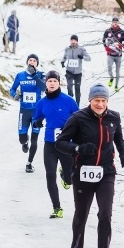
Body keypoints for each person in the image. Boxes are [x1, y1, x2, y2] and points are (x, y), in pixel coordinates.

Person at [56, 84, 124, 248]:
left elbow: (119, 138)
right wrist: (78, 147)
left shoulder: (114, 118)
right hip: (83, 174)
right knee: (81, 215)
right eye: (96, 100)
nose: (100, 104)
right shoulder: (78, 118)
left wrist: (123, 154)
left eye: (103, 100)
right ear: (90, 101)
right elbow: (61, 142)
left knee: (105, 215)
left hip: (106, 173)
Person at [32, 70, 79, 218]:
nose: (52, 83)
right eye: (49, 81)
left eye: (55, 81)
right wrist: (37, 122)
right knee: (50, 175)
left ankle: (65, 175)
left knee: (69, 179)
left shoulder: (69, 101)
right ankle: (57, 208)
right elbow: (35, 120)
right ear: (45, 83)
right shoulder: (41, 103)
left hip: (66, 144)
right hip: (50, 144)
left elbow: (79, 120)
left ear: (59, 83)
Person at [9, 54, 45, 172]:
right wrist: (15, 95)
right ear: (27, 62)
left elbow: (44, 88)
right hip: (24, 112)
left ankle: (29, 163)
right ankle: (25, 142)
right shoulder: (20, 75)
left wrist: (35, 75)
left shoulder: (41, 75)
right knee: (22, 139)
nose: (32, 62)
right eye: (30, 60)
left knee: (35, 139)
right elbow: (12, 89)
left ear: (37, 63)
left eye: (34, 60)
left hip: (36, 112)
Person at [60, 34, 91, 105]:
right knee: (69, 86)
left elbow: (89, 58)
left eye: (74, 40)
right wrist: (62, 62)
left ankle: (77, 105)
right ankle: (70, 102)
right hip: (69, 71)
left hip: (78, 73)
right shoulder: (67, 49)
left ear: (77, 41)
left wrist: (82, 57)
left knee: (77, 88)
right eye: (72, 40)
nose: (73, 42)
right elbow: (64, 57)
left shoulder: (81, 49)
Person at [102, 16, 124, 91]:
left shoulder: (121, 32)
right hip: (110, 54)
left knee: (117, 71)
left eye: (116, 22)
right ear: (112, 23)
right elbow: (103, 39)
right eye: (114, 22)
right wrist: (105, 46)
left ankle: (116, 85)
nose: (115, 23)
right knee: (109, 68)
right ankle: (111, 78)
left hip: (118, 55)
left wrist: (121, 45)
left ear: (118, 22)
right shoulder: (108, 31)